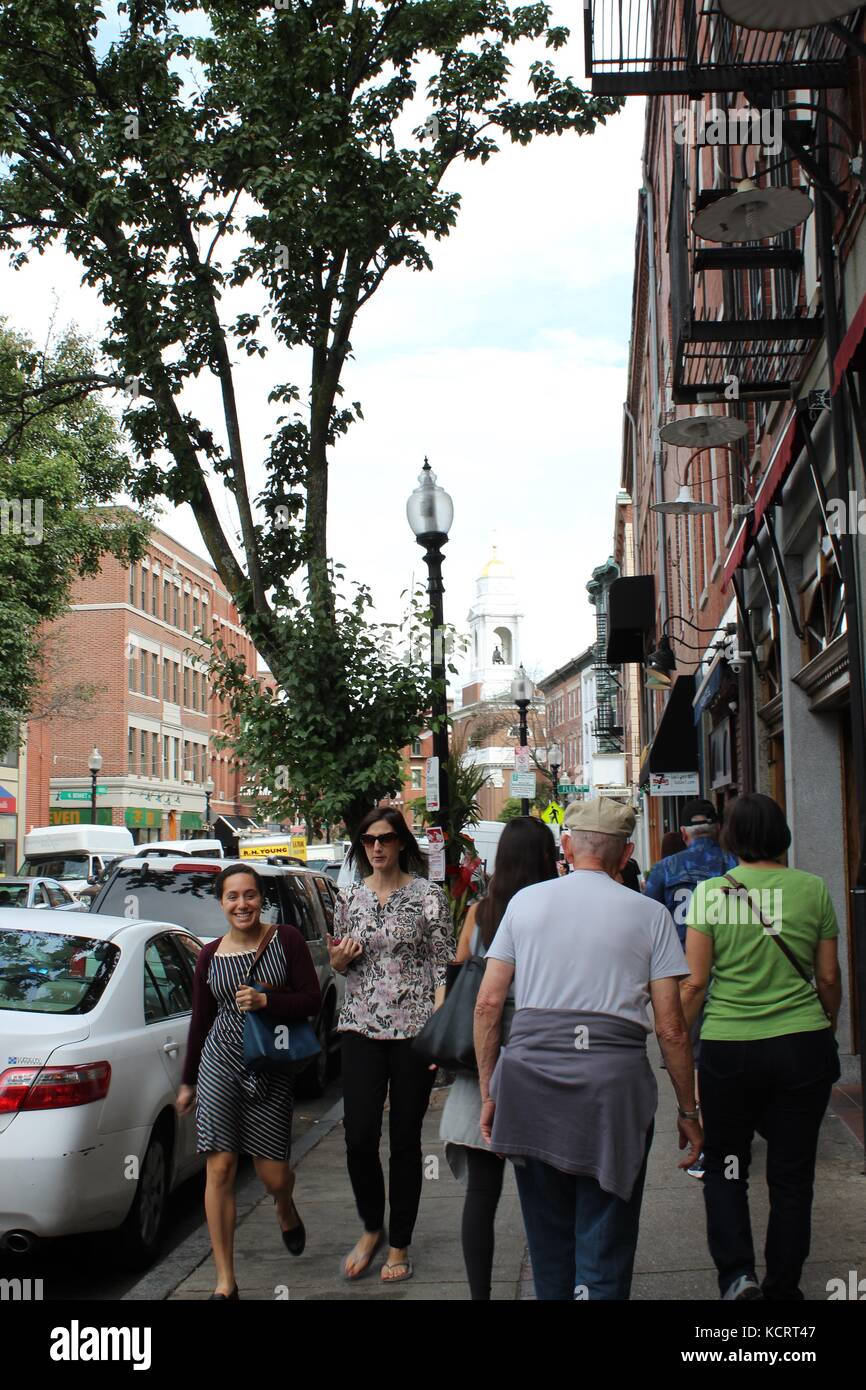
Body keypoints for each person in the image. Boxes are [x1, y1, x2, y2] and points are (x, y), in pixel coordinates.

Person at [475, 797, 702, 1301]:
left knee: (548, 1242)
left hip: (531, 1083)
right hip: (613, 1089)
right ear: (625, 856)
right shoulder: (650, 915)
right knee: (606, 1244)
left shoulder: (525, 904)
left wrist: (491, 1090)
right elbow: (671, 1029)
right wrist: (688, 1109)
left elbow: (489, 1003)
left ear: (568, 845)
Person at [680, 793, 842, 1302]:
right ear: (782, 834)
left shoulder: (710, 894)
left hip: (731, 1050)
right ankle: (783, 1286)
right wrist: (825, 1025)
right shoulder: (812, 889)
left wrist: (678, 1042)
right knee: (792, 1175)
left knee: (727, 1165)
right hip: (801, 1045)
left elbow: (695, 985)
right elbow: (829, 976)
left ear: (732, 838)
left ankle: (737, 1277)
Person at [177, 863, 322, 1299]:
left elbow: (312, 1000)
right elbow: (201, 1020)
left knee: (273, 1174)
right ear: (221, 903)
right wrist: (188, 1081)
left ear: (262, 899)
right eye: (232, 897)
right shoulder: (209, 955)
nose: (242, 904)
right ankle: (225, 1282)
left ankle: (284, 1205)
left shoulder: (286, 940)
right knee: (219, 1167)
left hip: (270, 1065)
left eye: (250, 895)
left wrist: (267, 1000)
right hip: (220, 1064)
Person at [329, 807, 453, 1285]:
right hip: (360, 1026)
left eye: (385, 839)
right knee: (358, 1135)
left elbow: (443, 965)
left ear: (401, 843)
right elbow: (338, 961)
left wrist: (439, 1030)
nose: (376, 847)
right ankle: (370, 1227)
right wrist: (339, 960)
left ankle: (398, 1241)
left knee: (404, 1140)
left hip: (414, 1032)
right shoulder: (349, 898)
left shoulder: (428, 898)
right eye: (367, 840)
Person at [439, 816, 558, 1300]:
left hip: (480, 1059)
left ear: (501, 860)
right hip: (541, 1057)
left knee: (481, 1195)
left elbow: (463, 980)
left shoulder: (479, 913)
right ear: (547, 859)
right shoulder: (555, 912)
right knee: (548, 1192)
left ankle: (480, 1296)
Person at [644, 799, 736, 947]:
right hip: (728, 958)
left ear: (683, 833)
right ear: (719, 828)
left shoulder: (664, 868)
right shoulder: (736, 863)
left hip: (680, 959)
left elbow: (648, 919)